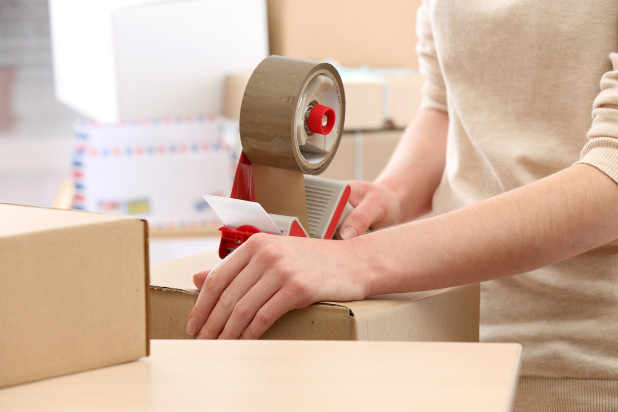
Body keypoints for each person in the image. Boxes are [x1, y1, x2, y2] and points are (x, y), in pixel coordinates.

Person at [186, 1, 618, 410]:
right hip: (447, 344)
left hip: (579, 368)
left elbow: (610, 176)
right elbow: (445, 106)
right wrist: (393, 193)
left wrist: (357, 262)